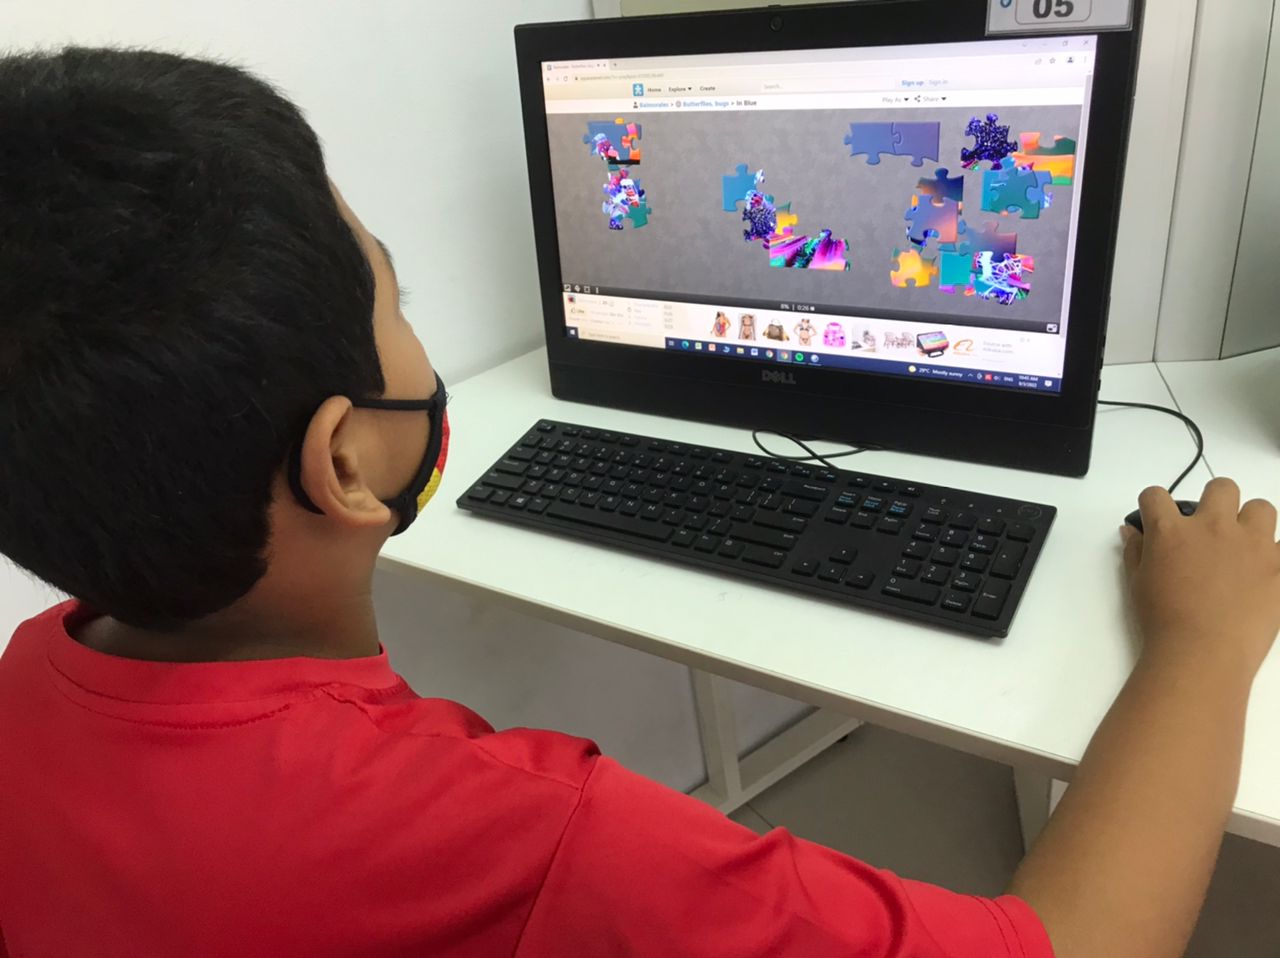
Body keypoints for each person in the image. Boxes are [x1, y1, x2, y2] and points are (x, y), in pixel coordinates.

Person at [1, 48, 1278, 958]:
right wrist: (1204, 639)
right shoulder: (531, 837)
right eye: (391, 296)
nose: (411, 334)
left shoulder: (27, 684)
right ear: (341, 464)